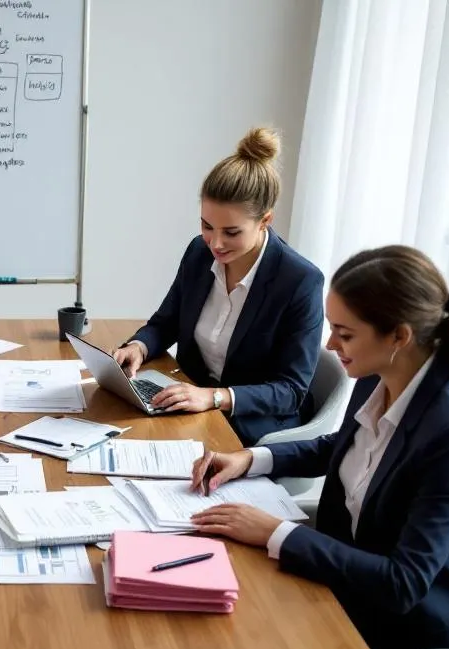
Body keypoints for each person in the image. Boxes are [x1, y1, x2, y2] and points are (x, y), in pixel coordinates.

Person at [187, 245, 449, 649]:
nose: (329, 343)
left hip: (425, 633)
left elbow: (404, 583)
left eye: (344, 332)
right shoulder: (381, 372)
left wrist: (276, 532)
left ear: (399, 336)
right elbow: (342, 447)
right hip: (358, 583)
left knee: (241, 639)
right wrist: (251, 458)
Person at [112, 127, 324, 445]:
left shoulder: (299, 282)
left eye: (232, 232)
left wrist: (214, 397)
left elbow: (291, 391)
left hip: (251, 425)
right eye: (207, 225)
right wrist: (137, 347)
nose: (216, 243)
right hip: (193, 405)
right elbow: (166, 322)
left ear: (265, 220)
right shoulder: (199, 252)